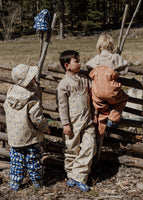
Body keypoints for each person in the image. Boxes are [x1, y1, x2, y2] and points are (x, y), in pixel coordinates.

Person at [3, 64, 50, 191]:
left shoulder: (10, 93)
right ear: (28, 80)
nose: (34, 79)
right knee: (33, 159)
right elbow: (37, 118)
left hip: (15, 136)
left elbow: (5, 107)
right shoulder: (31, 98)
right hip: (30, 136)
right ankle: (37, 181)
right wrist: (45, 127)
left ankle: (15, 182)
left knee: (16, 160)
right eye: (32, 78)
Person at [57, 50, 96, 192]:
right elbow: (62, 106)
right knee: (71, 149)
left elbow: (93, 99)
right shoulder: (64, 84)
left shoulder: (85, 80)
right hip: (72, 124)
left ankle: (79, 176)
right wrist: (65, 123)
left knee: (90, 146)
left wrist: (95, 114)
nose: (80, 64)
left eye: (79, 61)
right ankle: (71, 175)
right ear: (67, 65)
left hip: (87, 122)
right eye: (77, 61)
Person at [86, 33, 129, 137]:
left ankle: (100, 126)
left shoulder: (96, 59)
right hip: (111, 91)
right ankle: (113, 118)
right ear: (112, 45)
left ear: (99, 46)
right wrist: (117, 72)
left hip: (97, 92)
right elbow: (125, 69)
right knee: (122, 99)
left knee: (101, 108)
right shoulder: (115, 57)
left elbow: (87, 65)